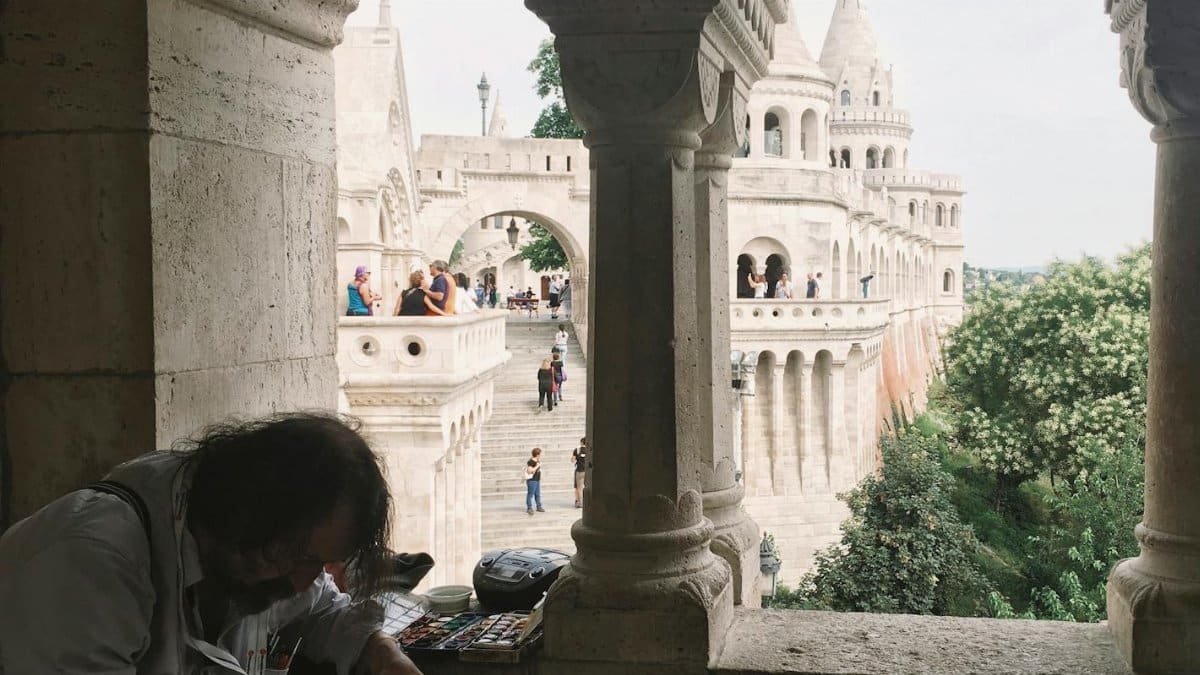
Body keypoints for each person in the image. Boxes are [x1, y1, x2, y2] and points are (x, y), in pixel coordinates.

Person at [0, 413, 423, 675]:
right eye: (300, 556)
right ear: (244, 510)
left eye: (319, 562)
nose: (301, 582)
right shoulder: (92, 562)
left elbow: (323, 610)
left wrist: (379, 651)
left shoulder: (257, 556)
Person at [523, 448, 544, 516]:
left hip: (537, 480)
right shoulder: (531, 461)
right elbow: (529, 471)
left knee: (537, 494)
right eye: (540, 453)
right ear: (537, 454)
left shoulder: (537, 460)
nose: (541, 454)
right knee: (530, 494)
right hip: (532, 480)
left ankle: (539, 506)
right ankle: (529, 508)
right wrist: (537, 466)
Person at [570, 438, 589, 509]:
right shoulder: (589, 450)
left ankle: (580, 503)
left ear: (581, 442)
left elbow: (572, 460)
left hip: (579, 470)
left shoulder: (577, 450)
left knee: (579, 488)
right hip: (588, 471)